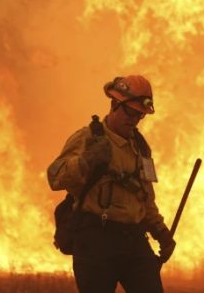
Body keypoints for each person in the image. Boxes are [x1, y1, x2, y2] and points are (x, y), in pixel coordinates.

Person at [47, 75, 175, 293]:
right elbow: (54, 177)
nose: (135, 119)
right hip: (96, 241)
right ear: (115, 104)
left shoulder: (141, 148)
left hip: (133, 241)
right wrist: (85, 162)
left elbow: (145, 198)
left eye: (140, 115)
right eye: (131, 112)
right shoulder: (86, 138)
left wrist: (160, 231)